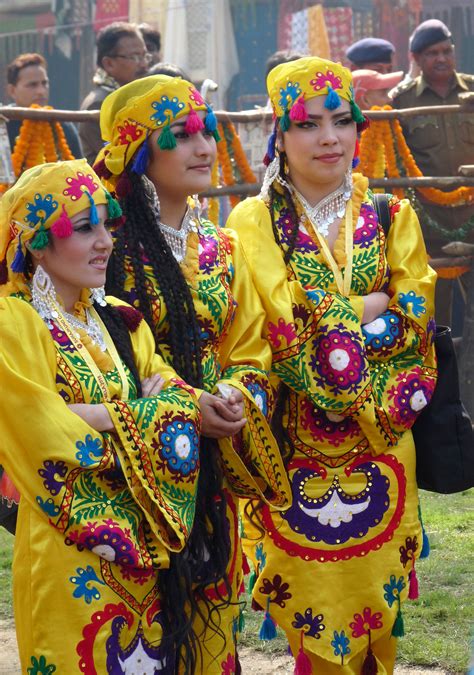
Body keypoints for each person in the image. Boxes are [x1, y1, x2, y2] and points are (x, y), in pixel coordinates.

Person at [226, 56, 437, 672]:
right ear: (280, 137)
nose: (329, 138)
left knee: (379, 628)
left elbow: (415, 320)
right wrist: (368, 305)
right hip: (295, 452)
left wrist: (329, 318)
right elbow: (276, 326)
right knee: (312, 621)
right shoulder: (253, 221)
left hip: (381, 445)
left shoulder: (392, 216)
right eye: (309, 124)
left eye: (342, 121)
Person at [93, 74, 291, 672]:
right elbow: (83, 351)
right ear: (137, 151)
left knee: (209, 629)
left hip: (211, 473)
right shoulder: (103, 247)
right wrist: (181, 407)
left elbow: (251, 348)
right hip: (126, 471)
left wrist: (232, 397)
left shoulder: (222, 247)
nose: (204, 146)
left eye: (205, 130)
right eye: (181, 136)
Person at [0, 159, 198, 672]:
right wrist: (135, 415)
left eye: (106, 224)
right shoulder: (14, 323)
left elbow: (174, 395)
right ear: (38, 244)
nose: (106, 241)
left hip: (144, 535)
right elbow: (35, 423)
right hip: (66, 549)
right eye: (84, 228)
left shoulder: (119, 319)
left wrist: (102, 414)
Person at [391, 19, 474, 328]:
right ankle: (442, 376)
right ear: (417, 59)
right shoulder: (402, 100)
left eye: (446, 51)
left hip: (473, 218)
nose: (441, 58)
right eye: (431, 53)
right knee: (437, 319)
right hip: (430, 227)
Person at [79, 22, 150, 165]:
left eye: (144, 56)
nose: (143, 64)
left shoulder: (130, 98)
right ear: (109, 64)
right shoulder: (100, 103)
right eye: (134, 57)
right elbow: (121, 161)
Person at [5, 53, 83, 159]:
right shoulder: (3, 128)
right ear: (12, 90)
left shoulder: (63, 126)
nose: (41, 91)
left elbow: (80, 172)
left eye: (44, 83)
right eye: (32, 85)